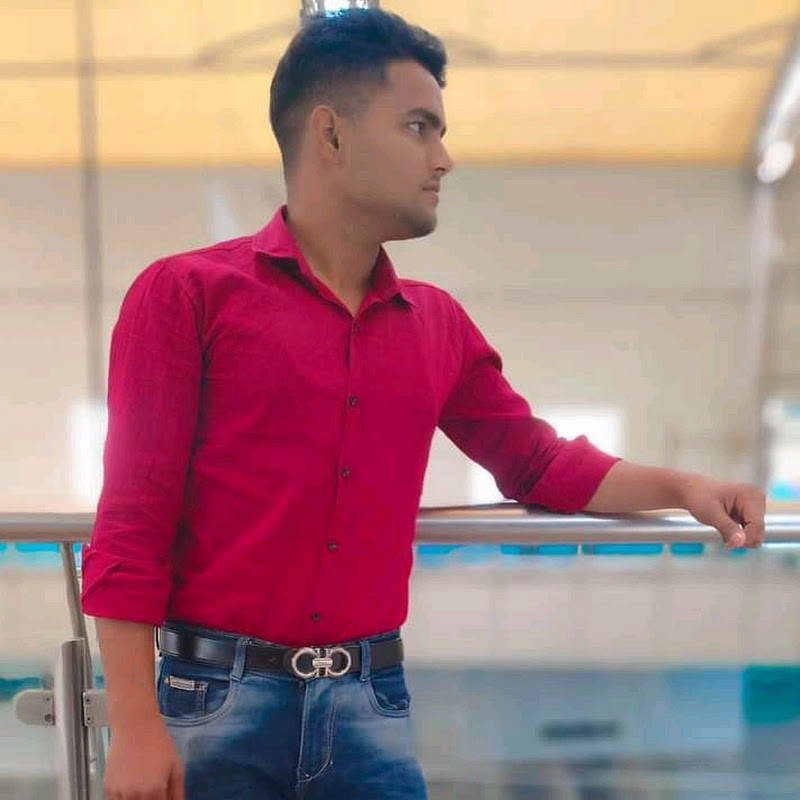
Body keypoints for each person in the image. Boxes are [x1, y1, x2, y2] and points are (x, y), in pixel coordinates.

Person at [80, 8, 767, 800]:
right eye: (418, 127)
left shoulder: (436, 325)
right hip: (211, 705)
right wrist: (134, 725)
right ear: (330, 135)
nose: (444, 158)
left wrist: (685, 488)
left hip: (371, 702)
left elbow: (538, 462)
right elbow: (132, 522)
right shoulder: (185, 295)